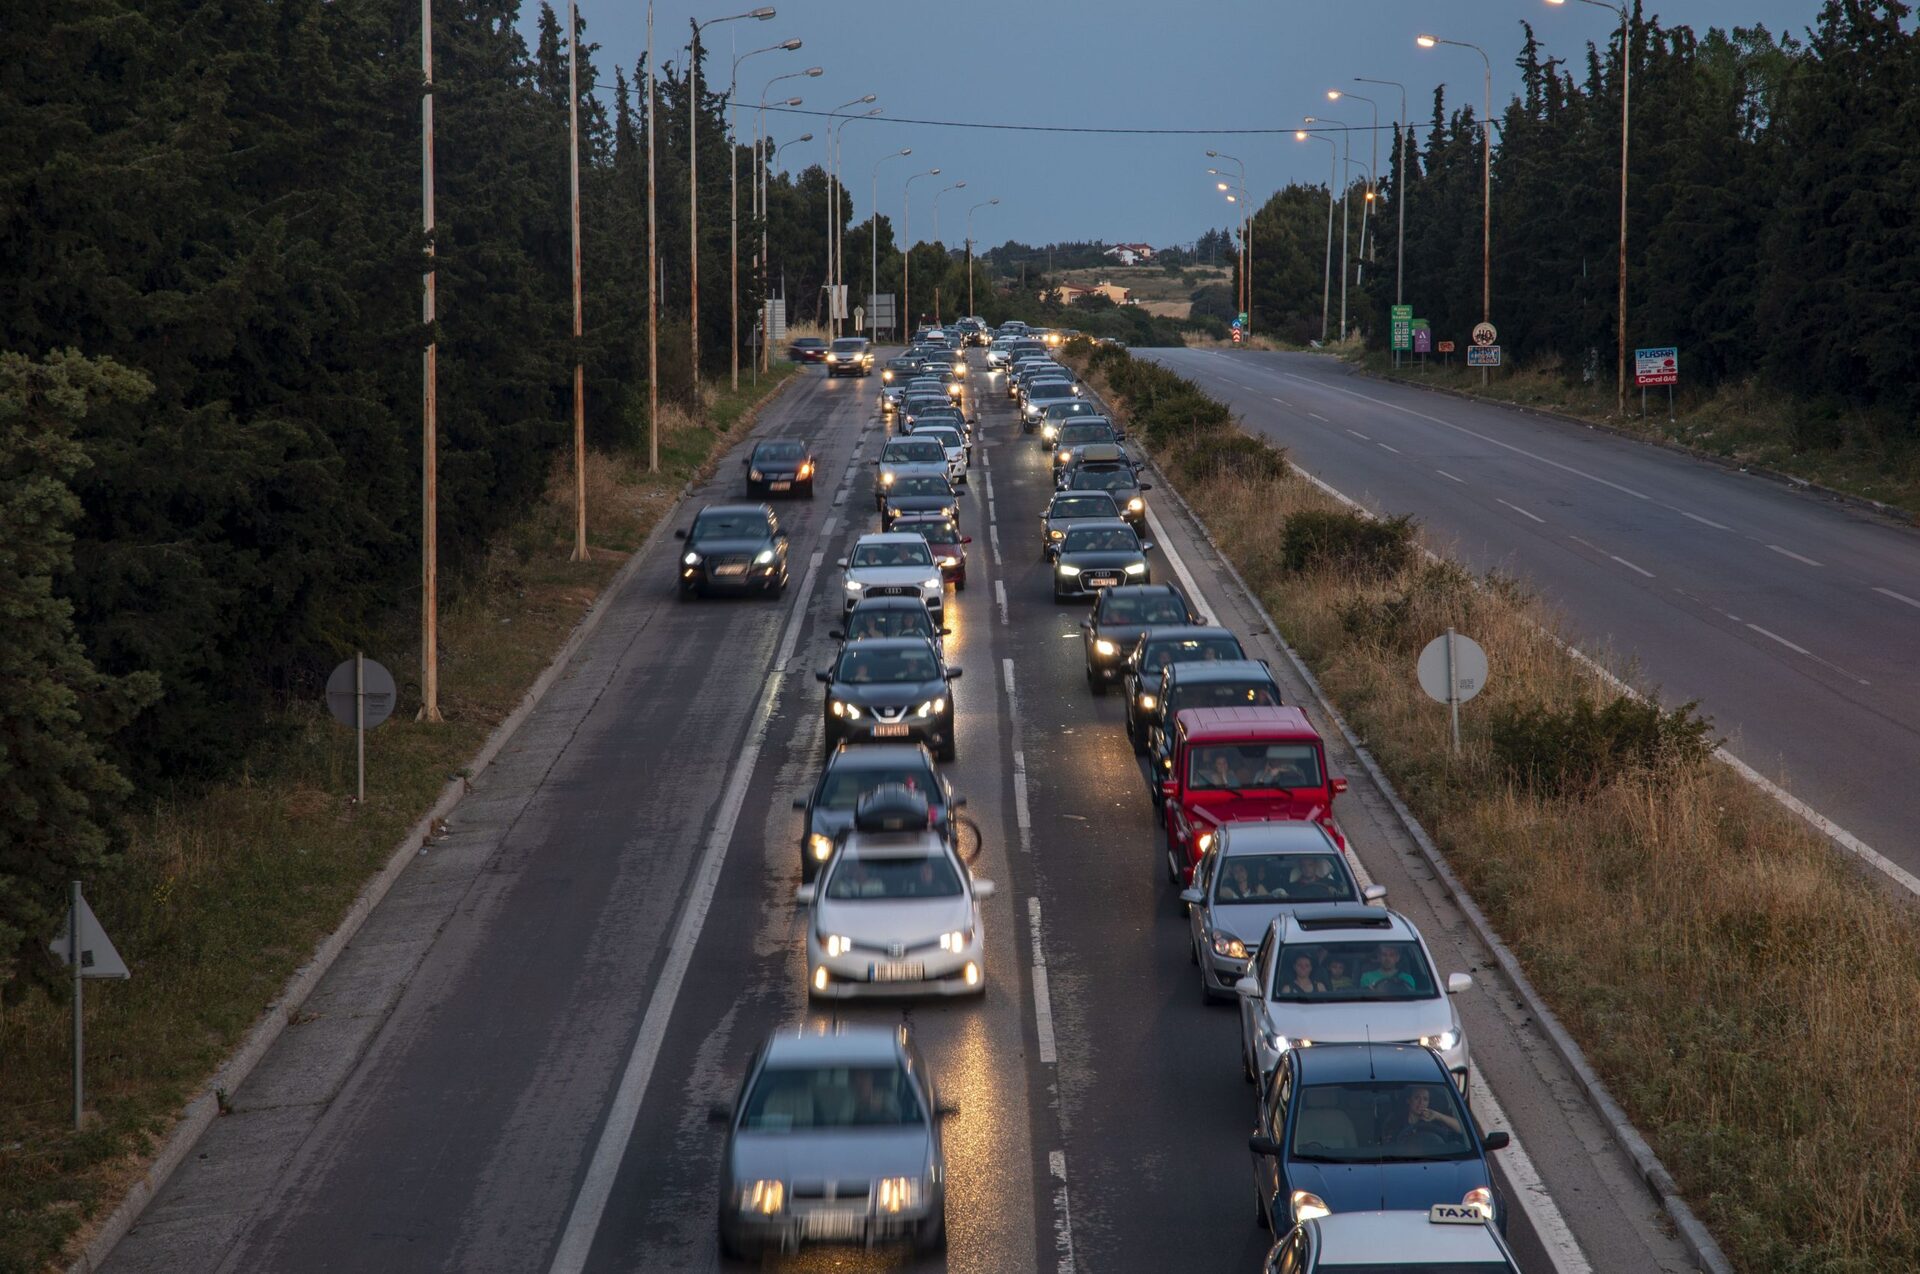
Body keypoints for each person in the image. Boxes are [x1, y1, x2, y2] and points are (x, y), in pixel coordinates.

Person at [1380, 1085, 1463, 1144]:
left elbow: (1462, 1130)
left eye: (1425, 1099)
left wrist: (1438, 1116)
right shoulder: (1395, 1121)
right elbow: (1388, 1144)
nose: (1421, 1103)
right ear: (1408, 1100)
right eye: (1417, 1098)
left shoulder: (1435, 1121)